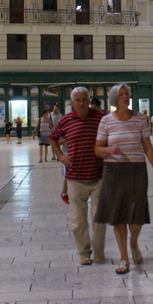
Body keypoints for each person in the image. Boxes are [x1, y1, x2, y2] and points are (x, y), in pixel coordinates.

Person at [94, 84, 153, 274]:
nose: (125, 97)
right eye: (121, 94)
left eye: (127, 94)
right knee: (117, 215)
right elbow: (97, 149)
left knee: (137, 213)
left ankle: (133, 242)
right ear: (115, 99)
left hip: (136, 170)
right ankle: (124, 257)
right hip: (113, 171)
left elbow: (147, 146)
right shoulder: (106, 121)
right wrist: (108, 150)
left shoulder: (140, 119)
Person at [50, 87, 106, 265]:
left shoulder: (101, 118)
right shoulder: (66, 120)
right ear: (72, 103)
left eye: (84, 99)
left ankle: (98, 252)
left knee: (99, 217)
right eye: (78, 100)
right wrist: (60, 156)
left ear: (89, 101)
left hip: (99, 176)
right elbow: (53, 138)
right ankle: (84, 253)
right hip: (75, 178)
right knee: (78, 220)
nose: (81, 103)